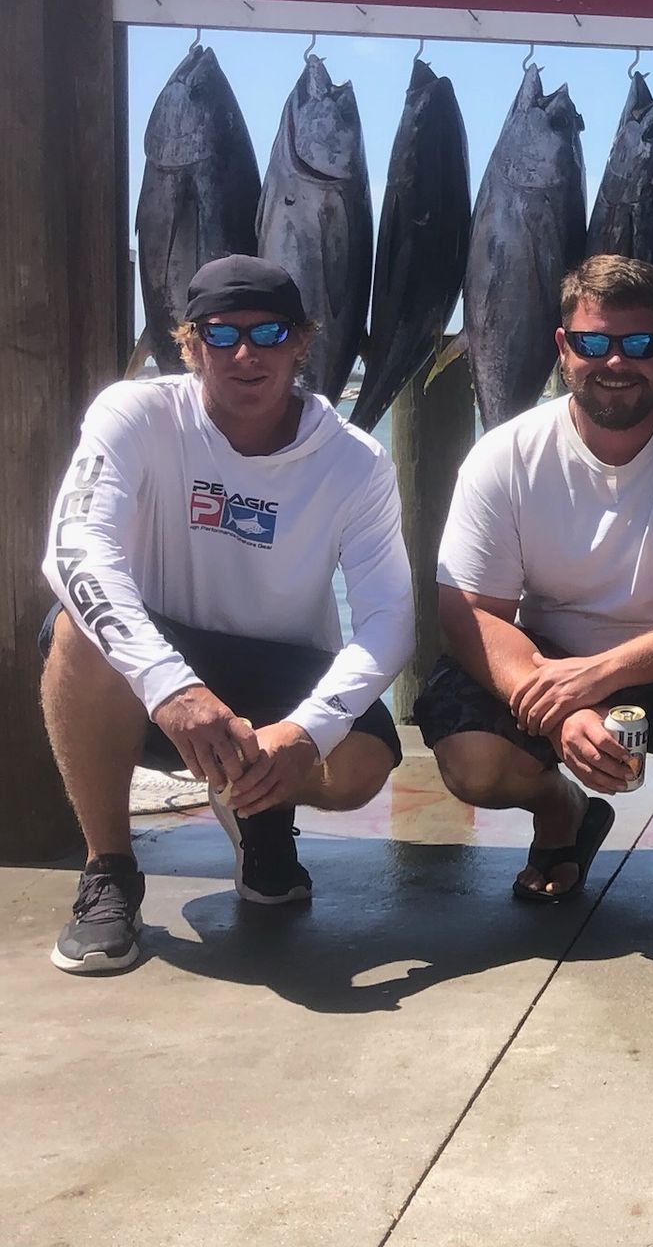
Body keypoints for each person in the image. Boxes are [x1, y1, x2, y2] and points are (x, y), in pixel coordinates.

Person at [40, 256, 412, 974]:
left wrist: (309, 732)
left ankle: (261, 811)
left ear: (302, 342)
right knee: (74, 634)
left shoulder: (357, 462)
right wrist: (171, 688)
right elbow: (73, 548)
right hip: (154, 677)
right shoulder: (136, 414)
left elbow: (390, 618)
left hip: (278, 676)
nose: (247, 353)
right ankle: (109, 872)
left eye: (270, 332)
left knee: (362, 761)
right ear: (189, 345)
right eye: (222, 334)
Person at [415, 254, 653, 920]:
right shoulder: (505, 456)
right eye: (594, 342)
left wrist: (598, 676)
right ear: (564, 347)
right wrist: (562, 707)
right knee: (471, 762)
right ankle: (562, 813)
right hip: (550, 665)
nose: (615, 362)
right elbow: (469, 612)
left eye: (638, 344)